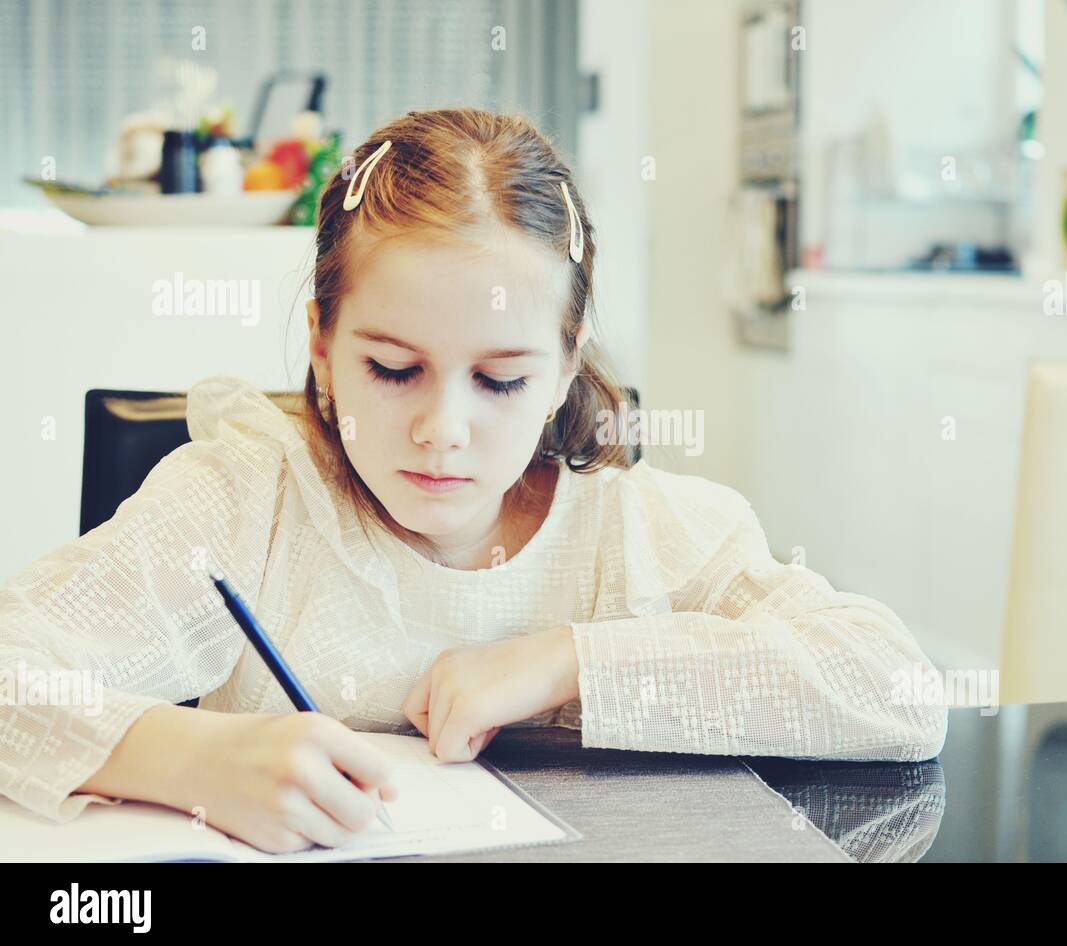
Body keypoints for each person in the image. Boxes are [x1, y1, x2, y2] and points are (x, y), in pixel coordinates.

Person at [0, 108, 947, 855]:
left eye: (500, 380)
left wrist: (567, 659)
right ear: (323, 348)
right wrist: (189, 756)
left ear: (566, 369)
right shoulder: (250, 499)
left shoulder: (637, 533)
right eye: (393, 368)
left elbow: (898, 689)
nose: (443, 431)